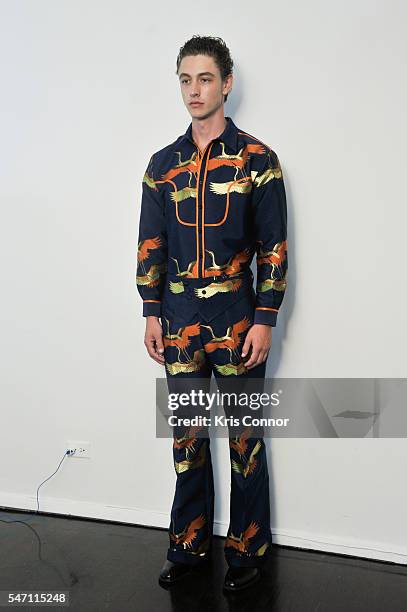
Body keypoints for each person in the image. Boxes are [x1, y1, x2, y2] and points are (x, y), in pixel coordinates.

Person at [136, 35, 288, 592]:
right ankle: (190, 546)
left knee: (246, 438)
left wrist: (266, 318)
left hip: (238, 319)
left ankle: (249, 549)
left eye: (205, 79)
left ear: (226, 83)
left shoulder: (257, 161)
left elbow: (274, 246)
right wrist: (152, 312)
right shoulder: (162, 165)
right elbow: (150, 243)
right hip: (178, 321)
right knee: (188, 438)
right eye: (185, 79)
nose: (194, 90)